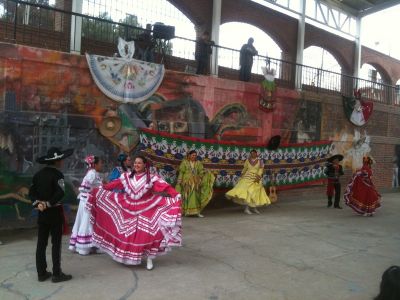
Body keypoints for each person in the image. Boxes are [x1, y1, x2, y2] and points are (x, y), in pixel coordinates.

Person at [87, 155, 182, 270]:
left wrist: (175, 194)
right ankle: (128, 257)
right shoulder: (126, 177)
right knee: (128, 233)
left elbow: (164, 187)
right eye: (135, 163)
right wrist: (102, 188)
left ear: (145, 165)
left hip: (148, 206)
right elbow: (115, 184)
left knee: (147, 234)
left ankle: (149, 258)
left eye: (139, 163)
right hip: (128, 206)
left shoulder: (152, 178)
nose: (136, 165)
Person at [28, 147, 73, 283]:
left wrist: (38, 204)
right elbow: (60, 193)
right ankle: (56, 274)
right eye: (61, 160)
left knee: (41, 243)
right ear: (57, 162)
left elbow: (31, 193)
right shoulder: (58, 175)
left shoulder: (38, 175)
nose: (62, 162)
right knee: (56, 243)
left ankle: (41, 273)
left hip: (41, 213)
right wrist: (48, 204)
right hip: (53, 212)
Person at [69, 155, 104, 255]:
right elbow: (85, 187)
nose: (101, 165)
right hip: (88, 202)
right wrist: (94, 193)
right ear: (95, 164)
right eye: (100, 163)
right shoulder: (92, 174)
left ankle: (87, 246)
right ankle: (84, 247)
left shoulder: (92, 173)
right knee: (87, 221)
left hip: (87, 200)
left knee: (87, 221)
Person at [226, 149, 271, 214]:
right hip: (247, 177)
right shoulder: (247, 160)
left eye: (254, 153)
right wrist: (242, 175)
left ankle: (254, 208)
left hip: (256, 177)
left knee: (255, 193)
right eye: (251, 153)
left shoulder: (260, 161)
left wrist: (258, 177)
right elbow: (245, 168)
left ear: (256, 154)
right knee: (248, 192)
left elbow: (261, 169)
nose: (252, 154)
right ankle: (247, 209)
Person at [175, 150, 215, 217]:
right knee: (186, 196)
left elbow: (201, 172)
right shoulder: (184, 162)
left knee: (196, 196)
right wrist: (179, 180)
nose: (194, 156)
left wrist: (205, 172)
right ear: (189, 155)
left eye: (195, 155)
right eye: (193, 155)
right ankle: (186, 212)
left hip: (195, 181)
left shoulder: (198, 163)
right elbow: (181, 172)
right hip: (186, 181)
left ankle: (197, 212)